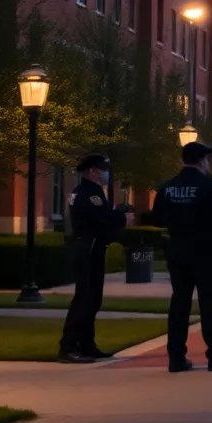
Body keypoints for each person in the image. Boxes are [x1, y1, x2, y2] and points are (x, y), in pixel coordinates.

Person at [152, 141, 212, 373]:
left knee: (179, 303)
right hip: (205, 251)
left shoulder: (168, 187)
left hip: (178, 250)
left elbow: (157, 218)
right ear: (202, 160)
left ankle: (176, 357)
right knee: (209, 304)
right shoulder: (209, 185)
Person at [58, 153, 131, 364]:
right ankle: (68, 347)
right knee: (85, 299)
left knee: (91, 300)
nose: (106, 173)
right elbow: (102, 219)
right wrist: (122, 218)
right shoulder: (90, 194)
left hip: (88, 247)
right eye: (103, 169)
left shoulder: (84, 191)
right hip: (88, 249)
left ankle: (86, 344)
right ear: (92, 171)